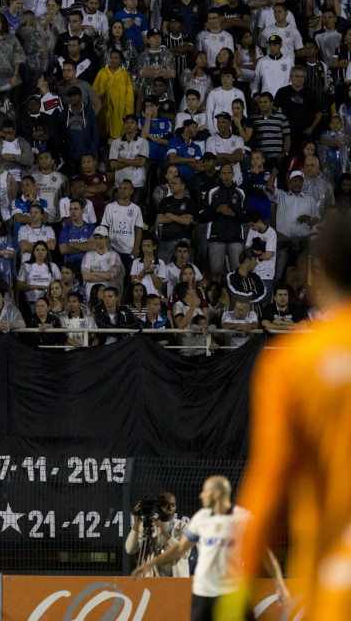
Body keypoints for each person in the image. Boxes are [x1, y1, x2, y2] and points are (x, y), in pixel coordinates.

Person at [231, 210, 351, 619]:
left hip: (335, 585)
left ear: (321, 276)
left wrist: (235, 595)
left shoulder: (293, 362)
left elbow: (269, 487)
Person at [132, 474, 285, 621]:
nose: (202, 495)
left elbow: (266, 554)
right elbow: (180, 548)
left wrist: (279, 582)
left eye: (205, 491)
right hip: (203, 593)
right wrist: (151, 564)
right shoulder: (201, 519)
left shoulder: (243, 519)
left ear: (217, 494)